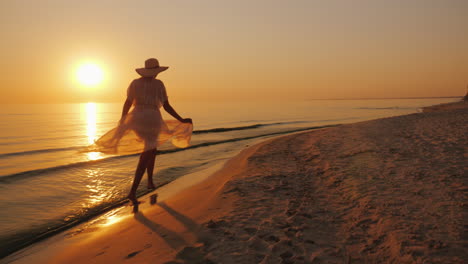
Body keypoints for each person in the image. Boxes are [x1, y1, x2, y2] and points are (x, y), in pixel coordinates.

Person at [93, 58, 193, 206]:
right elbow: (166, 105)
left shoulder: (135, 83)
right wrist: (180, 119)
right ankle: (133, 192)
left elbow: (128, 102)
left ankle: (150, 182)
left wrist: (123, 119)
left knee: (151, 150)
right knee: (148, 152)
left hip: (137, 117)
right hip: (152, 118)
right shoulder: (159, 84)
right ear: (156, 71)